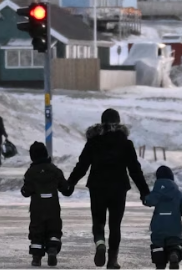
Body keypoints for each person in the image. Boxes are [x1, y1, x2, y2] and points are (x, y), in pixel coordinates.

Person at [67, 108, 150, 269]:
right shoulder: (125, 143)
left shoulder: (93, 142)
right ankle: (112, 260)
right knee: (115, 225)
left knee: (98, 221)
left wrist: (70, 183)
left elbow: (82, 166)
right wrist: (144, 191)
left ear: (102, 122)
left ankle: (100, 244)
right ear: (118, 123)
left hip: (97, 187)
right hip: (118, 188)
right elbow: (135, 169)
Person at [21, 141, 73, 267]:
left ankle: (36, 257)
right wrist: (69, 187)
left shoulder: (31, 172)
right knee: (54, 229)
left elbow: (26, 191)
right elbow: (65, 188)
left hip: (37, 208)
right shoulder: (54, 170)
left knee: (36, 231)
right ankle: (52, 249)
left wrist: (24, 190)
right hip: (53, 207)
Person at [143, 166, 182, 270]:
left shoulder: (156, 193)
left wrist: (145, 197)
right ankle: (174, 253)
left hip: (158, 227)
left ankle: (160, 265)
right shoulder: (178, 194)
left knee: (158, 246)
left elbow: (148, 201)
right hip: (174, 226)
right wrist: (178, 212)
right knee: (175, 243)